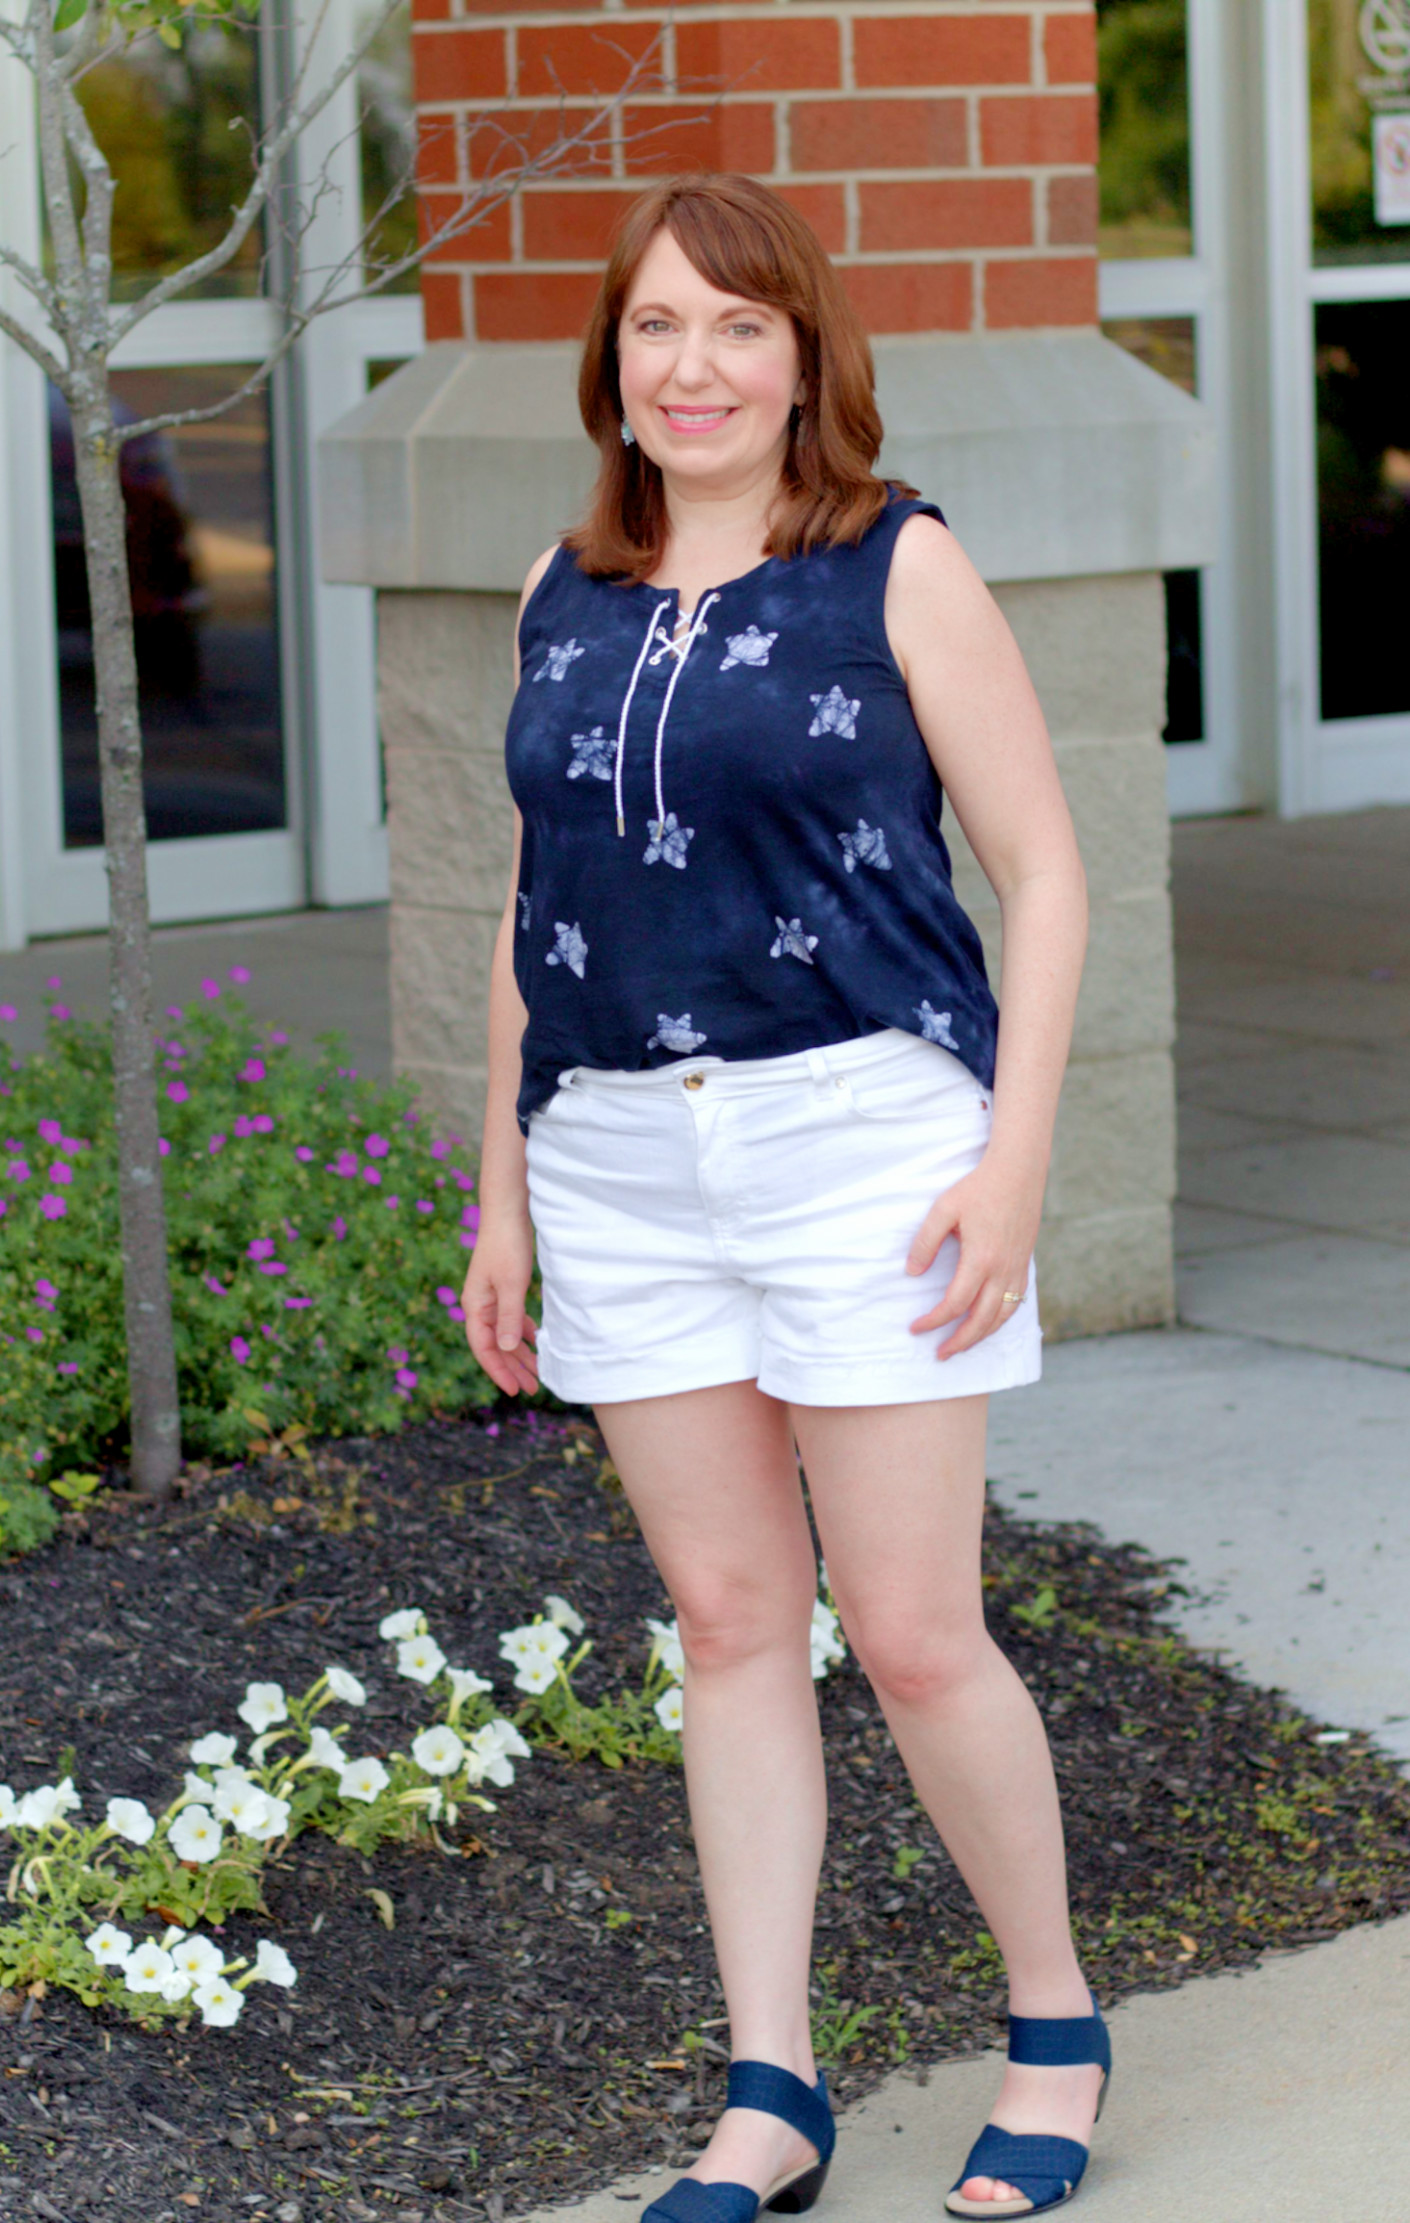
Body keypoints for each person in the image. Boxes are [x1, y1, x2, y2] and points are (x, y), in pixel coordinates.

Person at [462, 173, 1108, 2222]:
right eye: (658, 327)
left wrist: (1013, 1157)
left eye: (739, 327)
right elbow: (530, 899)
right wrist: (507, 1183)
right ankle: (774, 2085)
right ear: (614, 364)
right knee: (733, 1621)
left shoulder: (893, 564)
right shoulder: (560, 585)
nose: (696, 365)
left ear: (804, 353)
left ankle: (1055, 2024)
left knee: (913, 1632)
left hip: (865, 1144)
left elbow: (1052, 870)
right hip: (622, 1155)